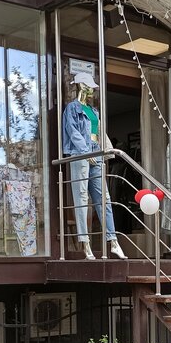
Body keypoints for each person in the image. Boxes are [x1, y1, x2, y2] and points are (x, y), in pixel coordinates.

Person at [61, 72, 126, 259]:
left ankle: (113, 240)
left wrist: (104, 151)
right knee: (82, 198)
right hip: (80, 154)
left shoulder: (93, 111)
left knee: (103, 198)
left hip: (96, 153)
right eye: (88, 86)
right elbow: (72, 131)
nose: (91, 90)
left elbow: (99, 132)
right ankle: (85, 242)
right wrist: (85, 151)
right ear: (80, 85)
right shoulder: (72, 108)